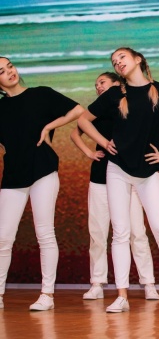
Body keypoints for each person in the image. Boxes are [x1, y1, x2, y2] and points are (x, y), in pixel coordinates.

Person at [77, 47, 159, 314]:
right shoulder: (114, 94)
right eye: (114, 61)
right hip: (117, 169)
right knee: (120, 234)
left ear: (138, 59)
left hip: (148, 172)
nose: (118, 63)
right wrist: (103, 143)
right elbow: (83, 121)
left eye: (121, 57)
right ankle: (122, 296)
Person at [0, 57, 84, 311]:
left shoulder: (41, 94)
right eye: (1, 71)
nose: (9, 72)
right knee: (3, 237)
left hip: (43, 169)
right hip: (13, 175)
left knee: (45, 233)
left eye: (10, 66)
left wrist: (49, 126)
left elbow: (77, 110)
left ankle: (47, 294)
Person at [70, 72, 159, 301]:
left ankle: (148, 282)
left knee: (137, 232)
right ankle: (97, 282)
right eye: (96, 84)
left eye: (102, 83)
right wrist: (91, 151)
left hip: (129, 176)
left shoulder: (130, 108)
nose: (98, 87)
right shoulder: (96, 111)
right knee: (98, 233)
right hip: (100, 177)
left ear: (117, 85)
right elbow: (75, 132)